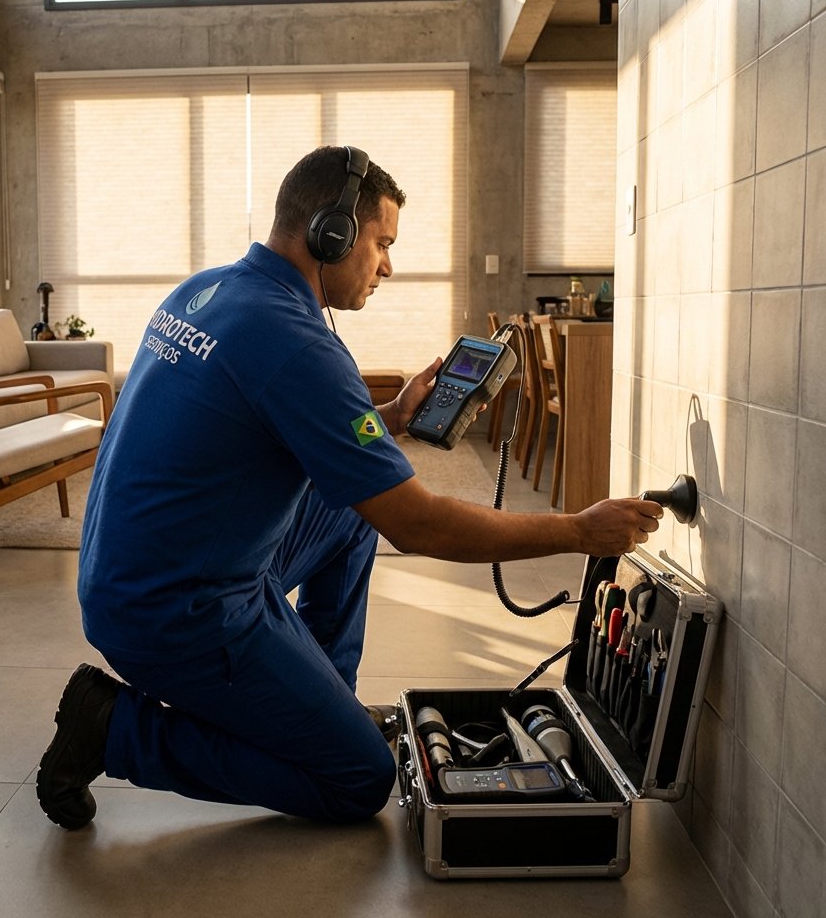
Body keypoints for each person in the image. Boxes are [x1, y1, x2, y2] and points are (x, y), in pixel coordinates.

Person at [36, 145, 662, 831]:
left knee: (350, 511)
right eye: (381, 243)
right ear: (330, 233)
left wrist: (390, 421)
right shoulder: (298, 343)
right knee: (357, 777)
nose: (387, 265)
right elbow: (418, 526)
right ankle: (115, 731)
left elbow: (279, 427)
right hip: (175, 615)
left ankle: (320, 702)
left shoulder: (207, 289)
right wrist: (578, 530)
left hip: (129, 577)